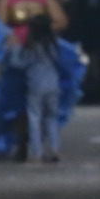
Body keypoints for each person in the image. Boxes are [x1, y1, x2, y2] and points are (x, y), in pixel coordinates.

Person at [9, 15, 64, 163]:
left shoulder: (31, 47)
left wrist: (14, 48)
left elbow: (18, 64)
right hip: (53, 85)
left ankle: (37, 152)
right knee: (52, 117)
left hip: (35, 85)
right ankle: (54, 149)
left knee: (34, 118)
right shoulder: (54, 45)